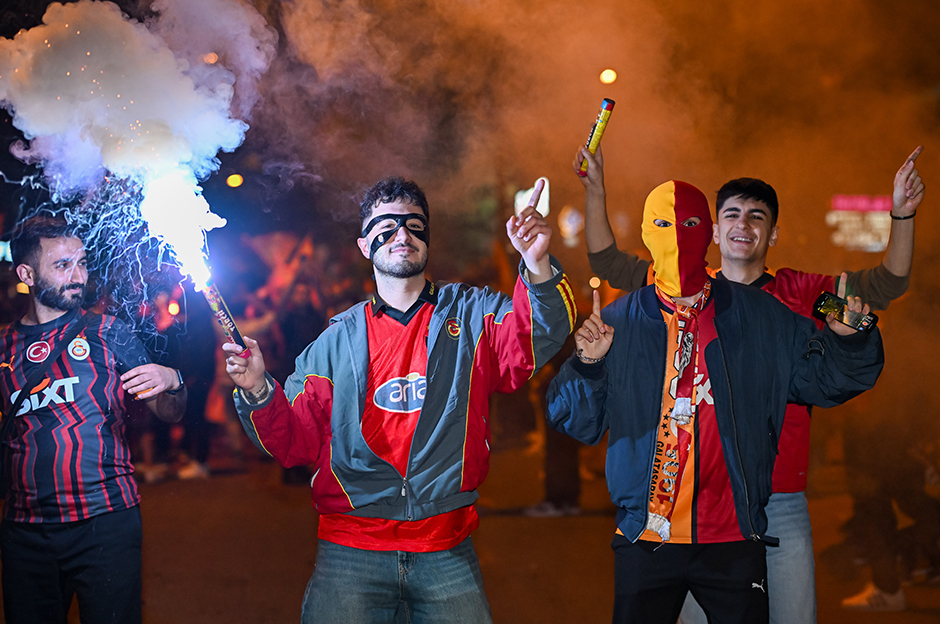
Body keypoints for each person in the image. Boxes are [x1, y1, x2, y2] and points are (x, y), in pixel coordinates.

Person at [575, 144, 924, 622]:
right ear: (714, 230)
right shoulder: (678, 287)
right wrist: (595, 187)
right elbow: (608, 261)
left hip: (779, 501)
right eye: (732, 214)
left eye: (757, 216)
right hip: (702, 505)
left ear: (772, 233)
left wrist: (900, 217)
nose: (744, 224)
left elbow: (883, 288)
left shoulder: (801, 295)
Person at [223, 176, 574, 623]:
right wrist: (256, 388)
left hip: (445, 548)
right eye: (386, 226)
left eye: (413, 224)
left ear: (427, 236)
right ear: (365, 245)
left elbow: (535, 336)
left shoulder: (471, 313)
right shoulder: (333, 343)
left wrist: (537, 264)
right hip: (351, 553)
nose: (402, 234)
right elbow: (294, 442)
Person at [0, 215, 186, 624]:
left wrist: (172, 380)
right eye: (62, 265)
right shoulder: (4, 346)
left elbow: (171, 413)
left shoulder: (109, 333)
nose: (78, 275)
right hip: (25, 532)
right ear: (26, 273)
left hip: (106, 523)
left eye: (81, 262)